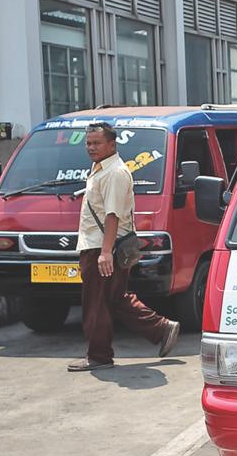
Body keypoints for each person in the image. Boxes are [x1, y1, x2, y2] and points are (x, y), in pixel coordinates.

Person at [69, 123, 180, 371]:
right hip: (98, 245)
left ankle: (98, 356)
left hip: (103, 247)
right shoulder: (101, 169)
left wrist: (105, 252)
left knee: (96, 304)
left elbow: (112, 215)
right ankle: (162, 328)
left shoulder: (114, 173)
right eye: (88, 143)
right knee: (115, 299)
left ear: (112, 144)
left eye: (97, 143)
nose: (91, 148)